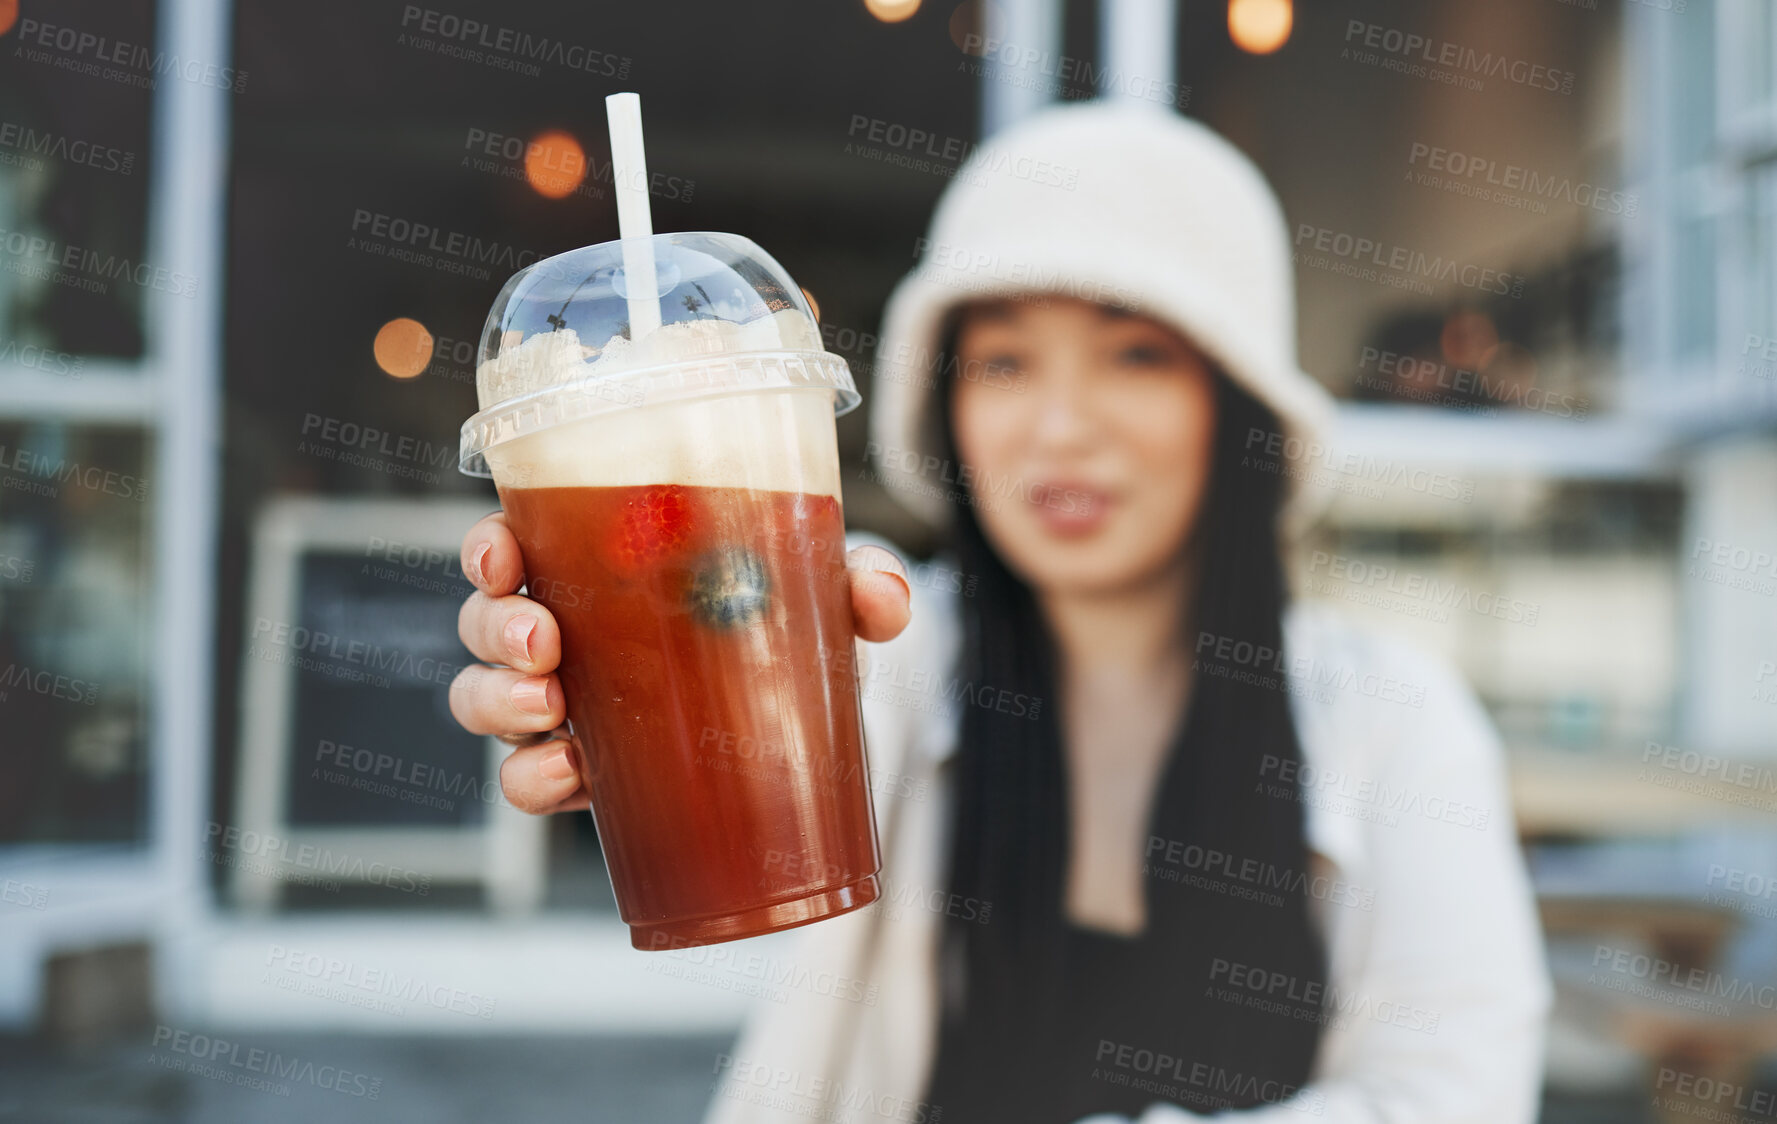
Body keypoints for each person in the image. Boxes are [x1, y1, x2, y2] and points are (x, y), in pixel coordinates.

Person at [449, 101, 1552, 1124]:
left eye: (1133, 353)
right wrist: (632, 655)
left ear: (1237, 403)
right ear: (950, 404)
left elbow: (1450, 1091)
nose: (1060, 425)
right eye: (1005, 358)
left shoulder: (1392, 718)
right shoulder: (882, 659)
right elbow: (794, 635)